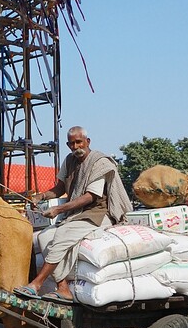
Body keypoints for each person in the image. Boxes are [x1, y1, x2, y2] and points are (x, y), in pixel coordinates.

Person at [14, 126, 133, 303]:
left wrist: (58, 210)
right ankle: (63, 288)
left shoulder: (99, 162)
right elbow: (60, 188)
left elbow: (90, 197)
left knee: (61, 235)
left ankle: (36, 284)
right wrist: (42, 196)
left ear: (87, 141)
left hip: (96, 214)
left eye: (79, 142)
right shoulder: (69, 160)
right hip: (76, 215)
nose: (76, 146)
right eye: (72, 143)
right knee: (45, 237)